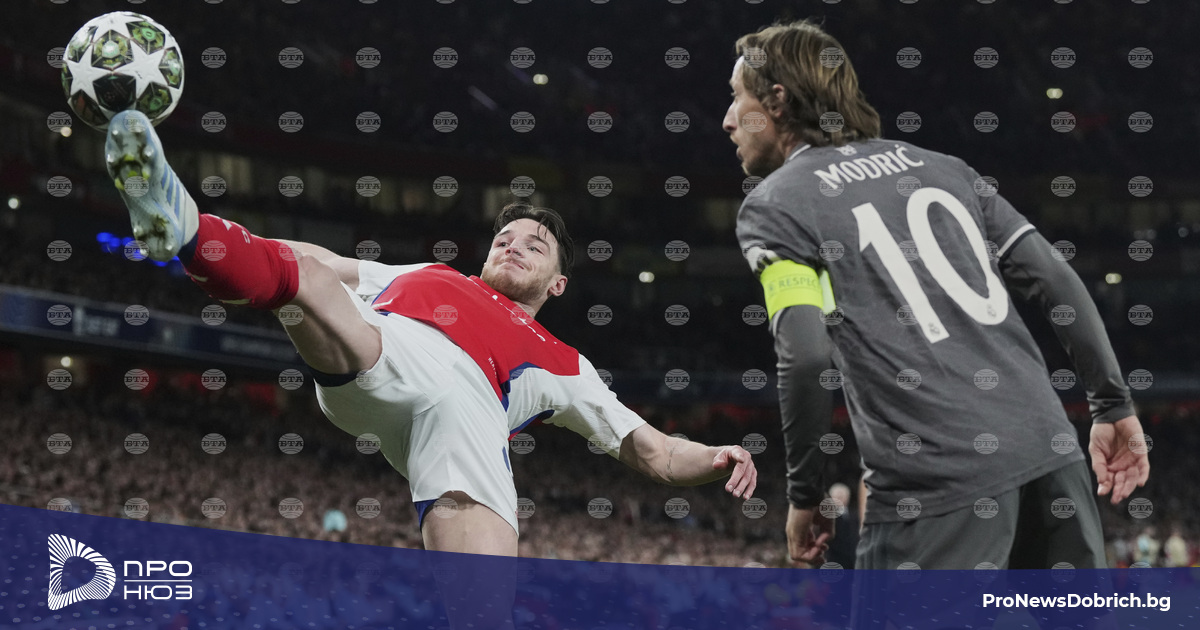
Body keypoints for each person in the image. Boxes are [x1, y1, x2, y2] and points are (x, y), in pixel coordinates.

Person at [103, 110, 758, 559]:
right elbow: (324, 261)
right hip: (388, 352)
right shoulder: (428, 275)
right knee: (308, 277)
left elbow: (656, 453)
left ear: (558, 284)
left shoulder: (566, 364)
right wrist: (237, 246)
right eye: (505, 238)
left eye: (535, 245)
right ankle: (184, 228)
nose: (514, 245)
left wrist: (716, 458)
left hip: (467, 421)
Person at [723, 21, 1149, 571]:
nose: (728, 119)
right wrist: (1112, 403)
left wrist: (805, 494)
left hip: (936, 490)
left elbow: (805, 358)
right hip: (1052, 458)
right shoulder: (946, 170)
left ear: (777, 102)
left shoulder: (776, 205)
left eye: (737, 97)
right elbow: (1055, 279)